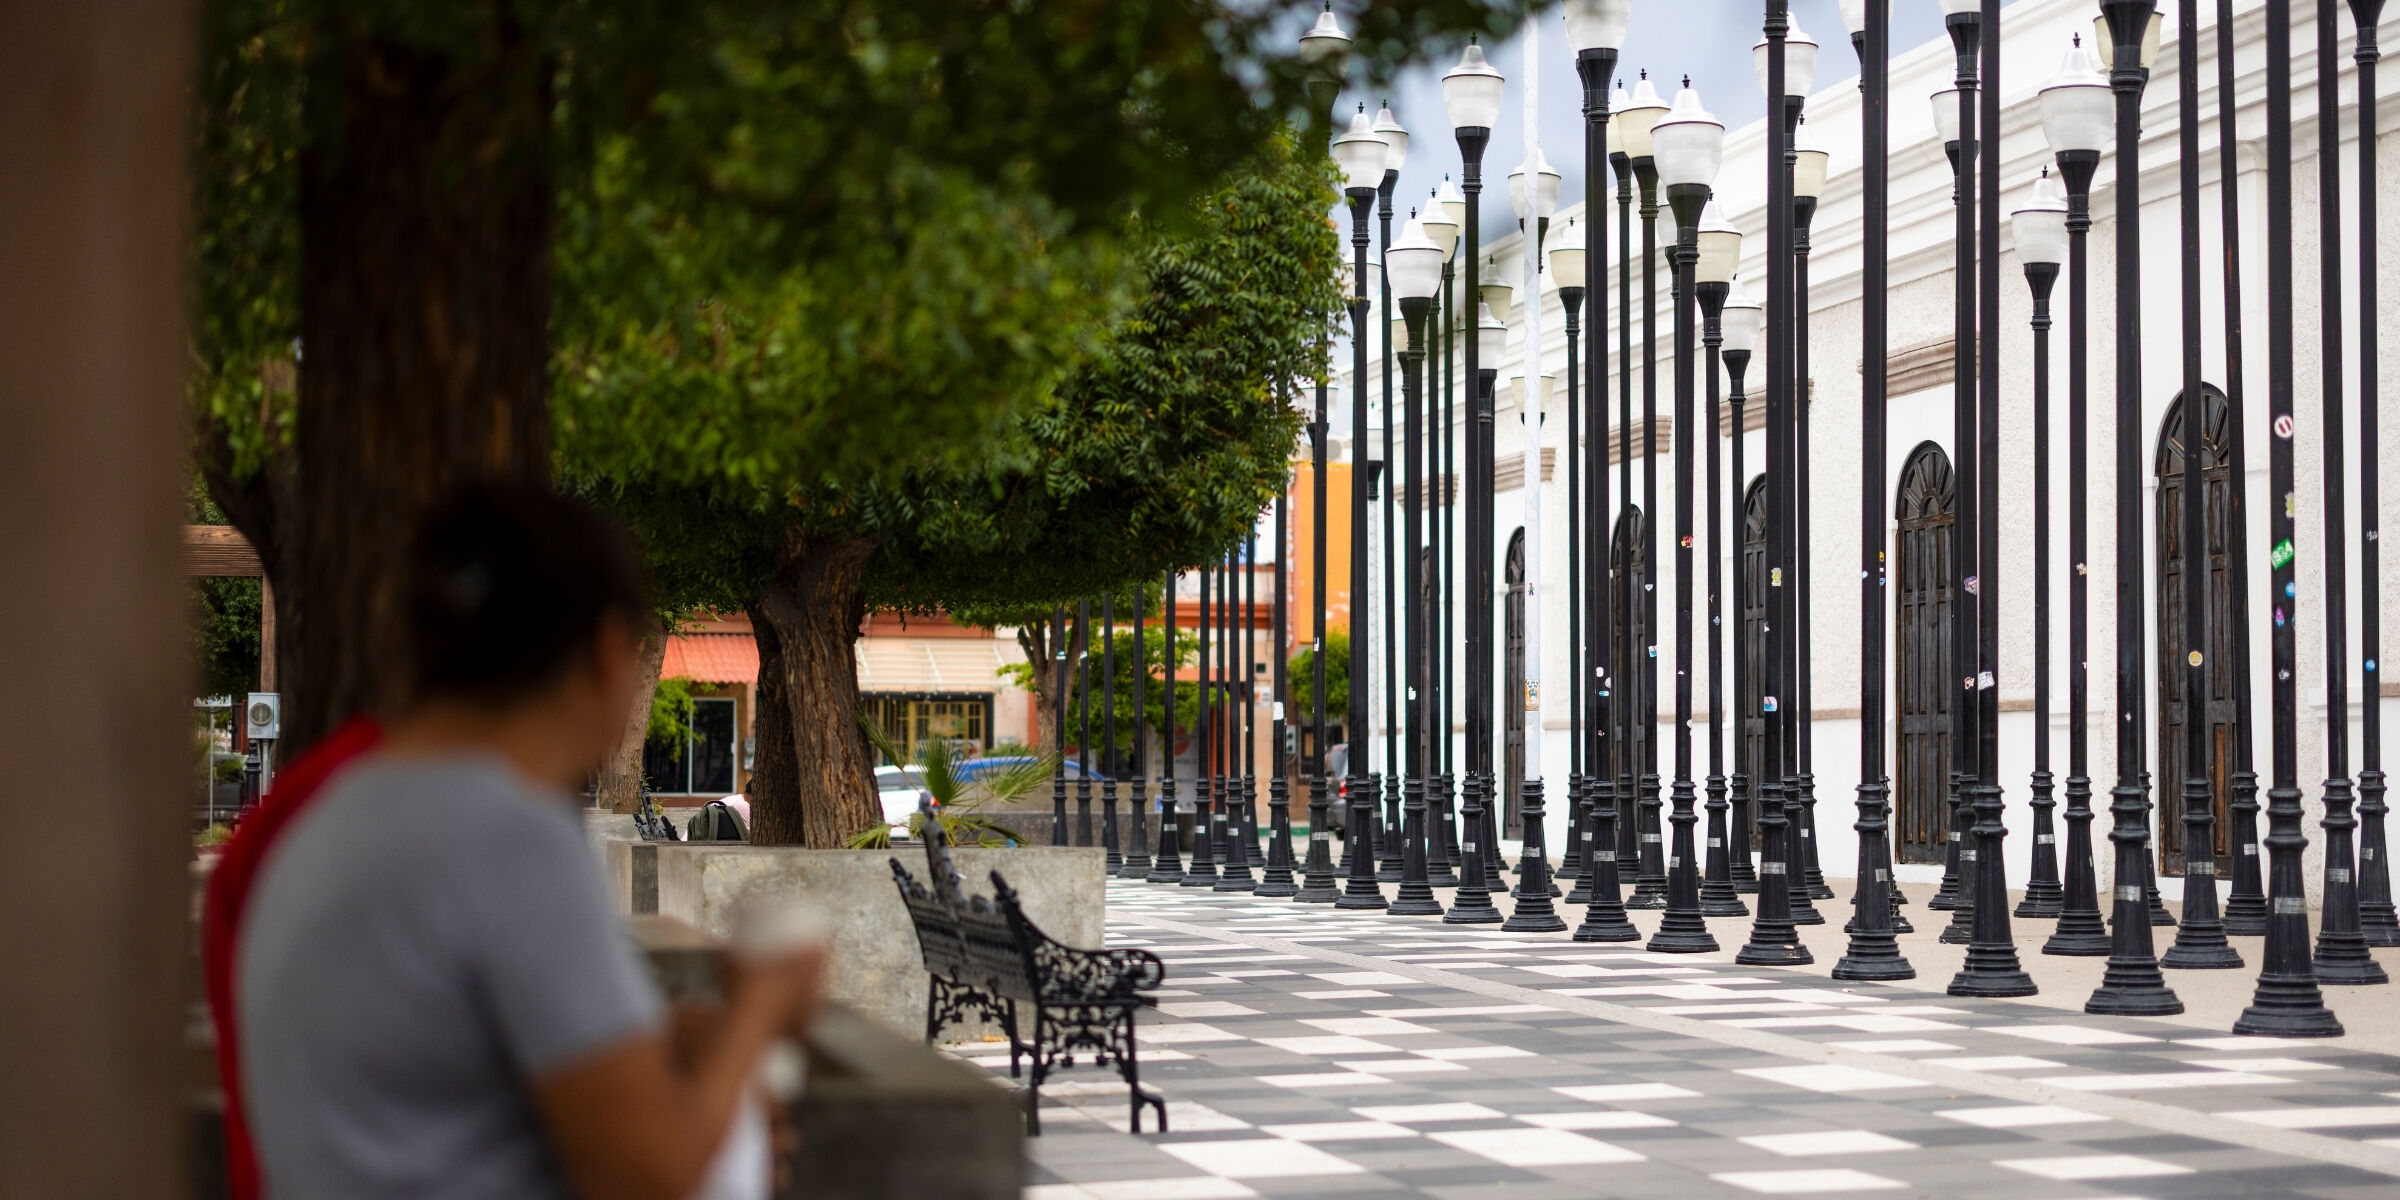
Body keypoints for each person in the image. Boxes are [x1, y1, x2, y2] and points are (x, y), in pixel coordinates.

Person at [235, 484, 824, 1200]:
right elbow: (651, 1176)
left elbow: (453, 1043)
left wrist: (695, 1033)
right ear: (610, 650)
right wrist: (761, 1007)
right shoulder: (507, 837)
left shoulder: (333, 817)